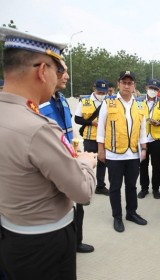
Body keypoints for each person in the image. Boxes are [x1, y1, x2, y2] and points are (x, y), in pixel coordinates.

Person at [0, 26, 97, 280]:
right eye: (58, 69)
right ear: (43, 71)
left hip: (10, 232)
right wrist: (86, 163)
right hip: (44, 243)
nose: (60, 77)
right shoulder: (37, 128)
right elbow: (82, 192)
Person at [39, 60, 95, 254]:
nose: (67, 76)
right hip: (53, 164)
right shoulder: (37, 102)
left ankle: (76, 242)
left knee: (78, 207)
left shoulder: (61, 99)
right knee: (59, 208)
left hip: (70, 158)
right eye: (62, 71)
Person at [97, 70, 148, 233]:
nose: (127, 85)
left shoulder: (140, 104)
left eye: (130, 83)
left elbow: (142, 129)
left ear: (134, 86)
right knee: (115, 187)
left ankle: (131, 213)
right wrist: (101, 150)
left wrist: (144, 148)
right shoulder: (108, 102)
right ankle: (117, 216)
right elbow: (101, 128)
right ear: (119, 84)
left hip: (133, 153)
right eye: (124, 82)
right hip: (113, 153)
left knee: (132, 186)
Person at [75, 80, 109, 196]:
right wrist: (91, 122)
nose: (102, 95)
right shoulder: (84, 101)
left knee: (102, 162)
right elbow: (77, 119)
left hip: (104, 138)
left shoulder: (109, 101)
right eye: (99, 92)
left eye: (104, 93)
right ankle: (85, 189)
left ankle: (100, 186)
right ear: (94, 89)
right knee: (87, 164)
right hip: (89, 138)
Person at [137, 79, 160, 199]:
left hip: (156, 139)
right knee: (143, 166)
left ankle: (156, 189)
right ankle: (144, 188)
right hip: (142, 139)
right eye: (151, 88)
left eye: (155, 89)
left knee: (156, 166)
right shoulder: (138, 101)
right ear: (146, 88)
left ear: (158, 90)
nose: (153, 91)